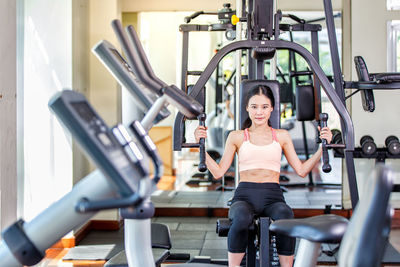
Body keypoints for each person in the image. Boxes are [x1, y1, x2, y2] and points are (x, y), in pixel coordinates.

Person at [194, 85, 332, 267]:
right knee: (242, 218)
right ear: (247, 108)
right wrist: (199, 145)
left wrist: (322, 149)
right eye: (254, 107)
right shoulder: (236, 136)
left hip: (273, 196)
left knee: (285, 215)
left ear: (273, 108)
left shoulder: (281, 136)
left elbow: (301, 170)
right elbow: (219, 172)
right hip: (244, 195)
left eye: (264, 107)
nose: (259, 112)